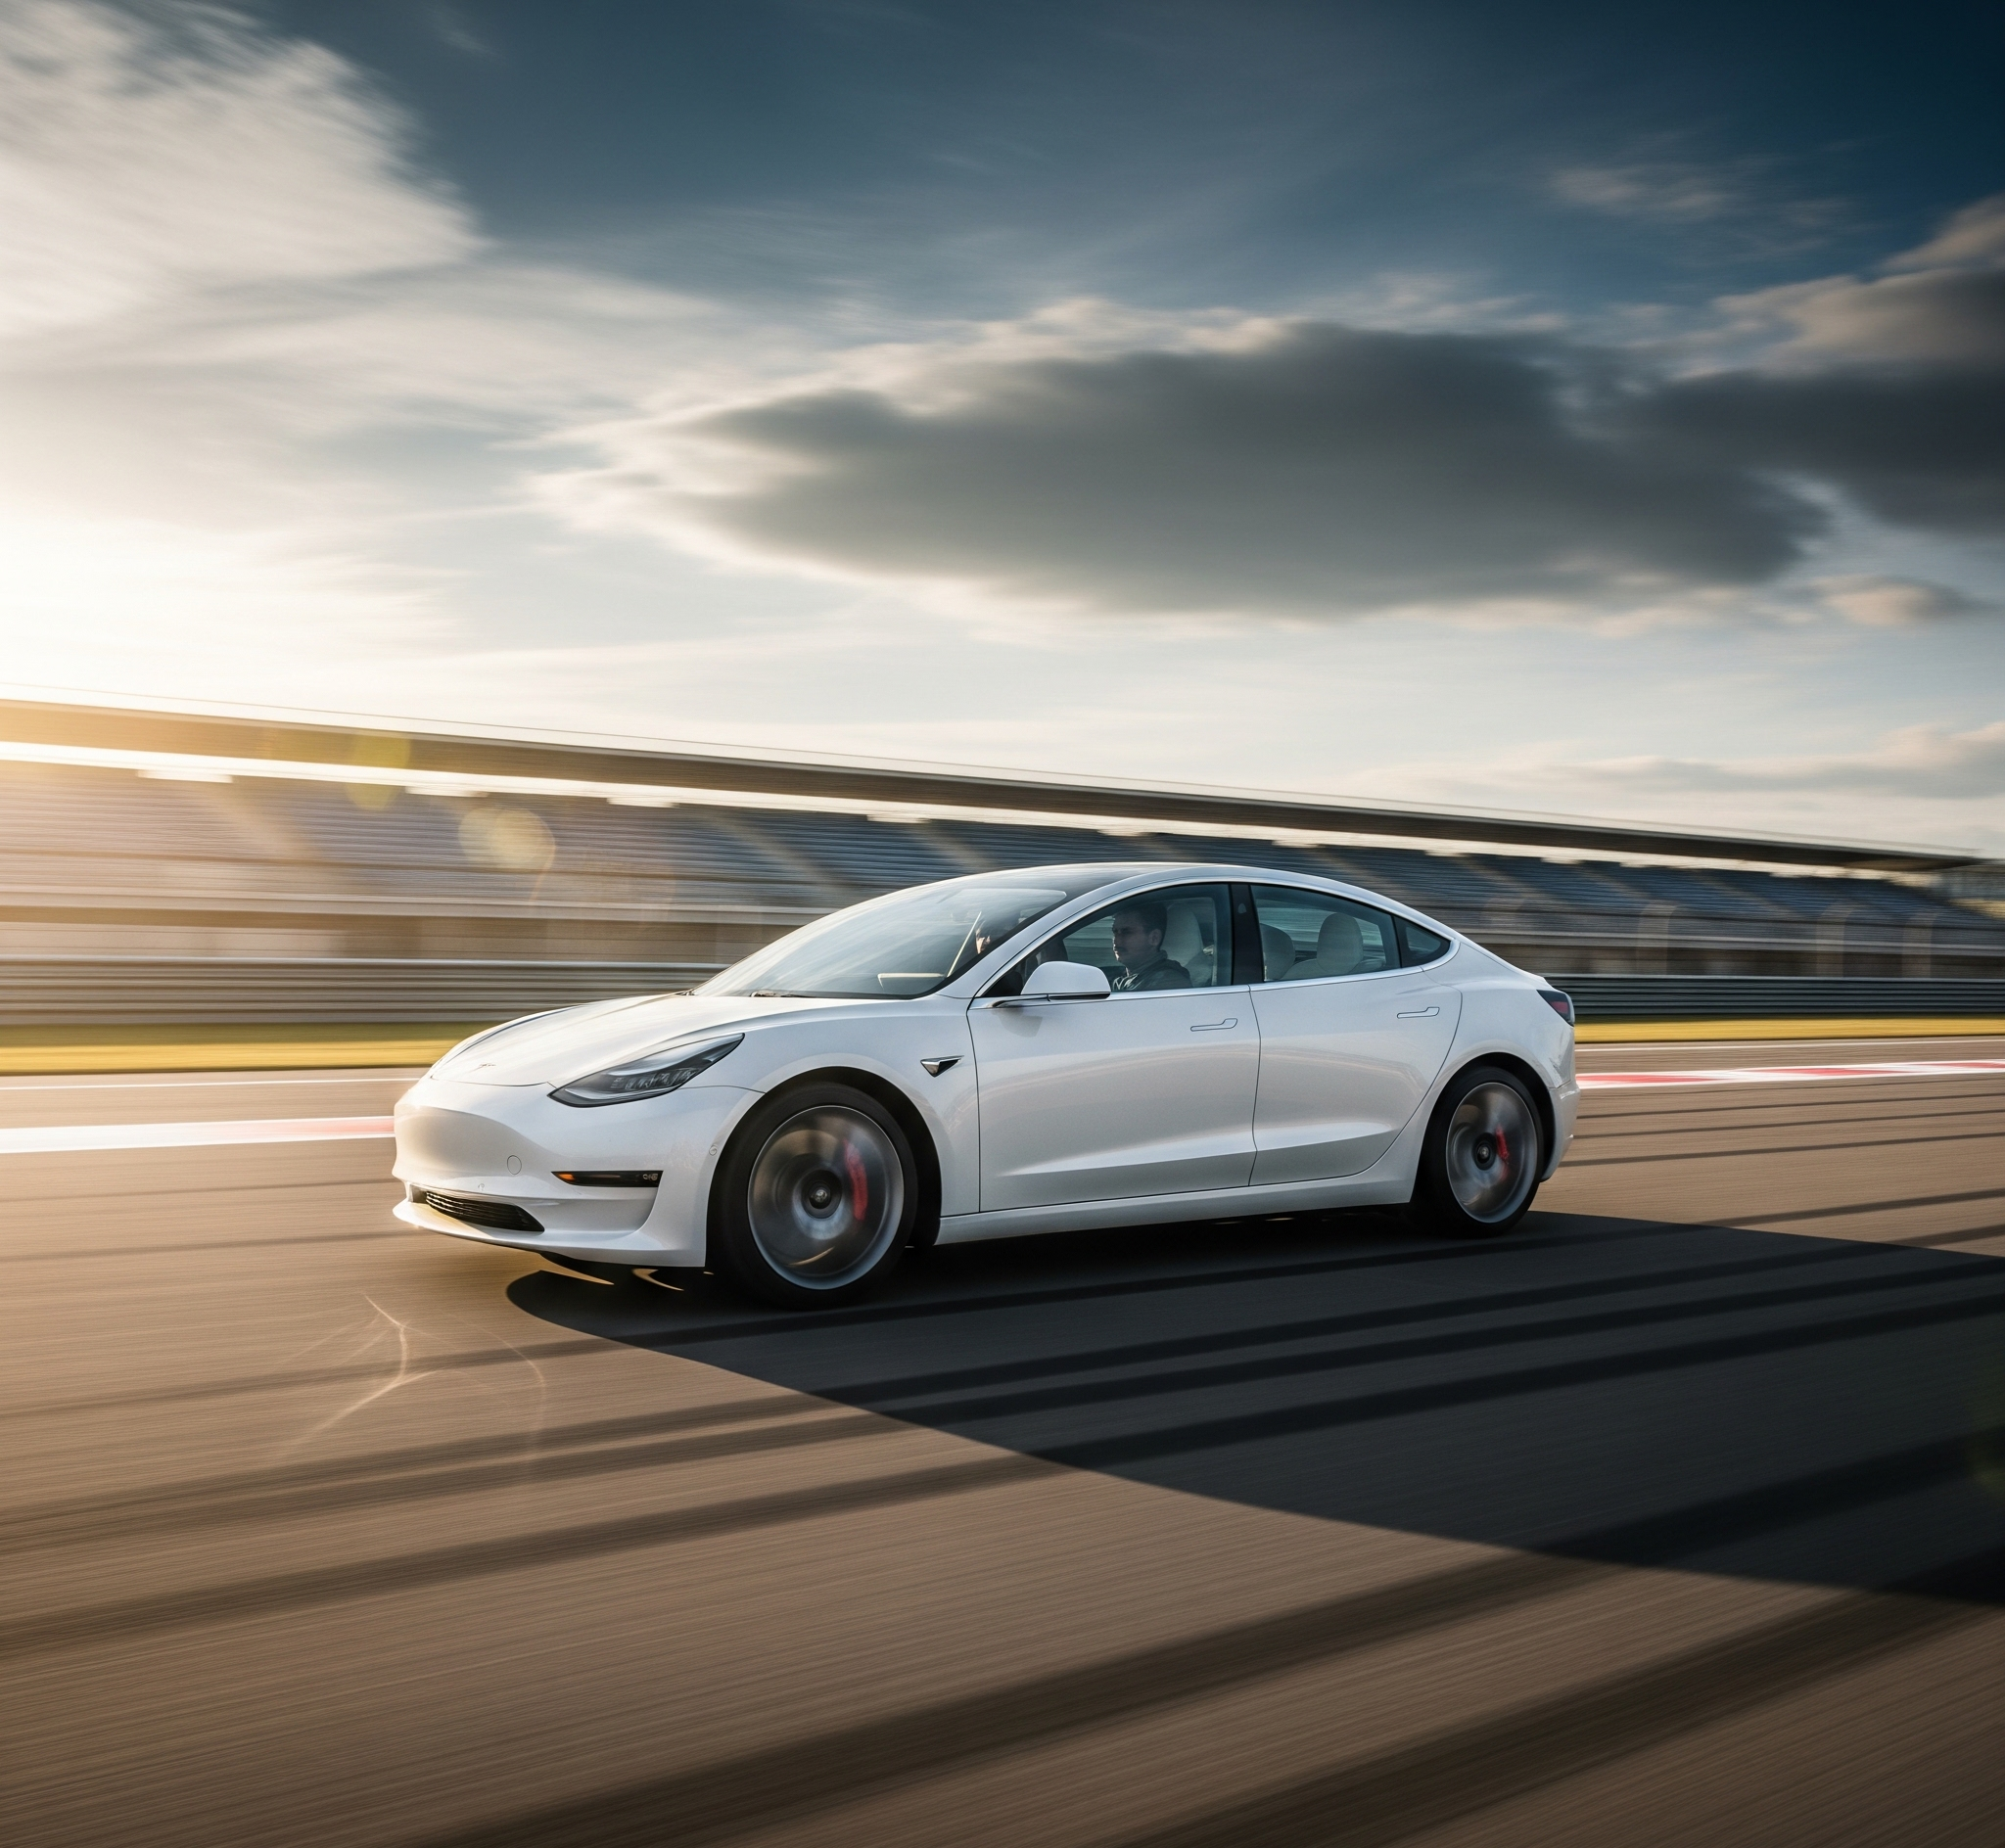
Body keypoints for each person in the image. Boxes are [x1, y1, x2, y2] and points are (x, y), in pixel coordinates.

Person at [1108, 901, 1190, 991]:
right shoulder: (1127, 980)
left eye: (1126, 932)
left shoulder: (1168, 984)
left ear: (1154, 938)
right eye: (1115, 932)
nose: (1116, 940)